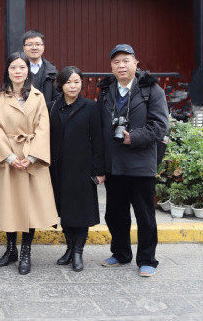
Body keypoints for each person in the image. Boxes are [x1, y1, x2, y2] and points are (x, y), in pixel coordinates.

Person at [97, 44, 169, 278]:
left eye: (126, 61)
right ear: (111, 67)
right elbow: (99, 127)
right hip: (114, 164)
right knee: (115, 214)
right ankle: (120, 253)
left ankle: (147, 259)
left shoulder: (151, 90)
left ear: (136, 63)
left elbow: (160, 126)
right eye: (116, 62)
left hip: (140, 163)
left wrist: (133, 137)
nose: (121, 66)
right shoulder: (106, 91)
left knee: (144, 215)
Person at [0, 52, 57, 275]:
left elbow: (43, 128)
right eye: (13, 67)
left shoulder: (38, 96)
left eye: (22, 67)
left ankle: (26, 251)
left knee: (29, 207)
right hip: (8, 158)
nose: (18, 71)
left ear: (28, 70)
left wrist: (31, 157)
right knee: (9, 205)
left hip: (31, 157)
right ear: (7, 71)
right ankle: (10, 248)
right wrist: (9, 157)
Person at [48, 66, 104, 272]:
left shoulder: (90, 107)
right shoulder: (52, 107)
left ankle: (78, 252)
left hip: (82, 168)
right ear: (61, 85)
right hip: (58, 168)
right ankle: (69, 249)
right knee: (65, 211)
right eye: (68, 82)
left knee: (80, 212)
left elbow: (98, 140)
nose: (73, 86)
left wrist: (99, 170)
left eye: (77, 82)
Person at [22, 30, 59, 103]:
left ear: (43, 47)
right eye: (30, 44)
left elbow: (57, 98)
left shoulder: (52, 72)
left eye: (38, 44)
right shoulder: (17, 71)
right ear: (24, 48)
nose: (34, 48)